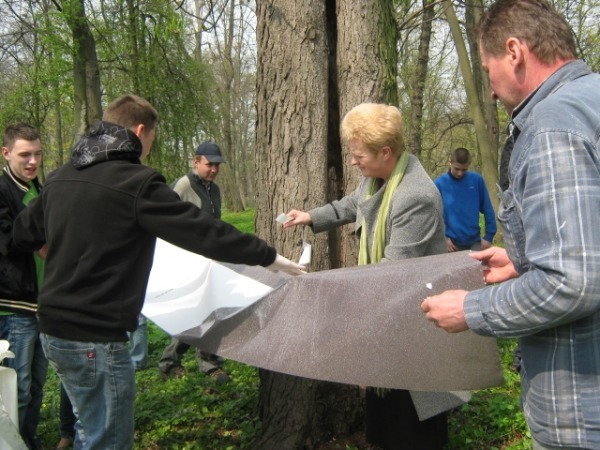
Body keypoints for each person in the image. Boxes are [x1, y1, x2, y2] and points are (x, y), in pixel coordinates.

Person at [13, 94, 305, 450]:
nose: (148, 149)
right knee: (107, 441)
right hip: (95, 337)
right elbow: (204, 231)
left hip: (54, 330)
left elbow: (23, 232)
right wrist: (270, 257)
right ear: (139, 131)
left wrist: (62, 248)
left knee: (89, 430)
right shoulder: (135, 182)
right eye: (150, 140)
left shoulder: (61, 177)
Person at [421, 0, 600, 448]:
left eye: (487, 70)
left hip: (581, 408)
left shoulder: (553, 127)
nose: (493, 91)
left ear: (515, 51)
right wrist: (522, 261)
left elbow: (573, 283)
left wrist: (471, 310)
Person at [284, 103, 452, 449]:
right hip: (388, 323)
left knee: (412, 425)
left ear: (385, 152)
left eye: (358, 154)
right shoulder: (377, 180)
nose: (353, 161)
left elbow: (391, 274)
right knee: (386, 418)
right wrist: (310, 217)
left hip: (413, 329)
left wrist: (328, 293)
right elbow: (350, 205)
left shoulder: (414, 196)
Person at [158, 141, 231, 383]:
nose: (214, 170)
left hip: (211, 261)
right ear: (196, 162)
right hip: (187, 262)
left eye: (217, 166)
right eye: (209, 165)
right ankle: (169, 363)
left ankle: (209, 362)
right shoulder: (183, 185)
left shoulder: (215, 189)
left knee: (212, 312)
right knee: (192, 314)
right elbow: (164, 219)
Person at [0, 123, 48, 450]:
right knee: (17, 388)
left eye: (38, 154)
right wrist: (39, 243)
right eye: (24, 155)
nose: (32, 161)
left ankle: (28, 441)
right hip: (15, 306)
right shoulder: (3, 190)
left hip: (43, 304)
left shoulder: (38, 189)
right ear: (6, 154)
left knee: (38, 386)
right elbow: (6, 241)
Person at [434, 147, 496, 252]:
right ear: (450, 162)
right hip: (450, 245)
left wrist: (488, 237)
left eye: (464, 170)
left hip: (475, 243)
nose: (460, 173)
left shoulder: (477, 181)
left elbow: (488, 210)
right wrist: (442, 238)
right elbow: (433, 216)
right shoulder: (439, 184)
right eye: (457, 169)